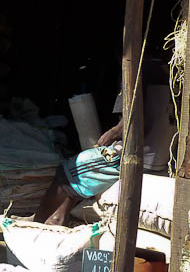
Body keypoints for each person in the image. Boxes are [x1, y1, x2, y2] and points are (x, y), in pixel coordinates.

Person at [35, 59, 176, 225]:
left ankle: (37, 219)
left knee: (67, 172)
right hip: (161, 155)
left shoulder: (137, 71)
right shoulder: (169, 71)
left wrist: (114, 132)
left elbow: (134, 119)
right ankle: (58, 217)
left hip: (137, 152)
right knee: (83, 171)